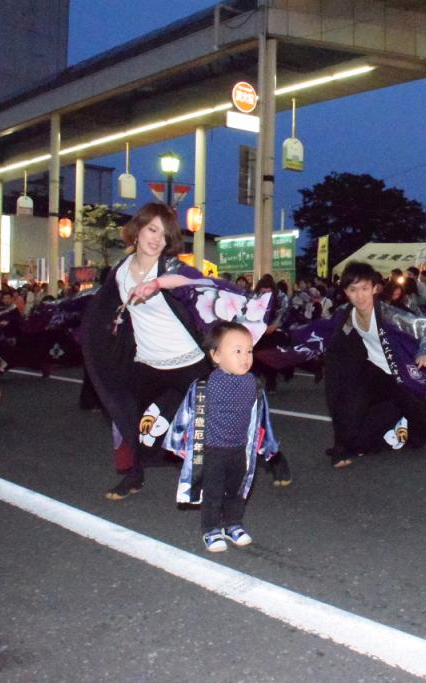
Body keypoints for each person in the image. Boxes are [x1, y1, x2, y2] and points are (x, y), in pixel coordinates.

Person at [81, 202, 270, 501]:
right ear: (138, 229)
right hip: (147, 365)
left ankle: (269, 456)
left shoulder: (169, 267)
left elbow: (194, 282)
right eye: (152, 230)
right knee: (140, 427)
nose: (157, 239)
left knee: (221, 420)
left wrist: (157, 284)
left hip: (188, 364)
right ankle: (134, 476)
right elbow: (105, 310)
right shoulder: (119, 272)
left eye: (165, 235)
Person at [322, 262, 426, 468]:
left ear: (374, 288)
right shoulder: (348, 315)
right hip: (375, 375)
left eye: (364, 288)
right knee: (351, 408)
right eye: (353, 290)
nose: (360, 295)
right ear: (346, 292)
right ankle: (341, 447)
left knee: (418, 429)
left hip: (401, 379)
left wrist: (424, 352)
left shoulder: (387, 313)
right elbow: (336, 342)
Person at [166, 322, 283, 552]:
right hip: (212, 450)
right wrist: (179, 440)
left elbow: (261, 417)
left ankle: (232, 523)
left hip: (239, 449)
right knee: (213, 491)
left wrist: (266, 443)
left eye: (249, 350)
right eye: (237, 351)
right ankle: (210, 528)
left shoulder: (253, 384)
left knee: (237, 489)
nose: (245, 357)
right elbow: (187, 413)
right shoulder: (206, 385)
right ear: (216, 355)